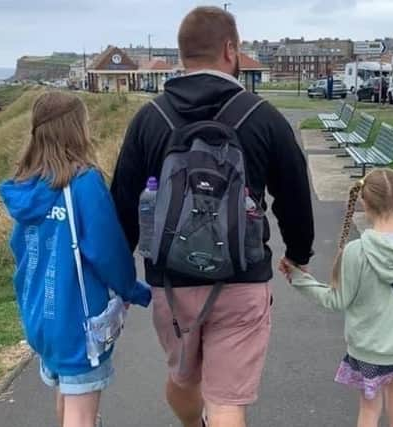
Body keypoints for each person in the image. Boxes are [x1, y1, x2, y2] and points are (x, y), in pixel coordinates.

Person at [111, 6, 314, 427]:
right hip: (241, 279)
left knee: (183, 382)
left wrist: (117, 277)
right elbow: (294, 193)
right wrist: (298, 252)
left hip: (170, 283)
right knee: (226, 404)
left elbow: (123, 204)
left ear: (182, 54)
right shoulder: (262, 117)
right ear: (230, 49)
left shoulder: (150, 118)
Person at [0, 91, 151, 427]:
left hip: (40, 313)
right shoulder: (83, 184)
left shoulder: (24, 186)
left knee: (67, 397)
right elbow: (108, 250)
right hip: (78, 321)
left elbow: (20, 248)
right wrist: (132, 289)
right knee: (81, 414)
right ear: (77, 129)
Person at [282, 168, 393, 427]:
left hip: (367, 347)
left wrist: (298, 278)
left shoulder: (355, 252)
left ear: (363, 202)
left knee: (369, 408)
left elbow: (335, 300)